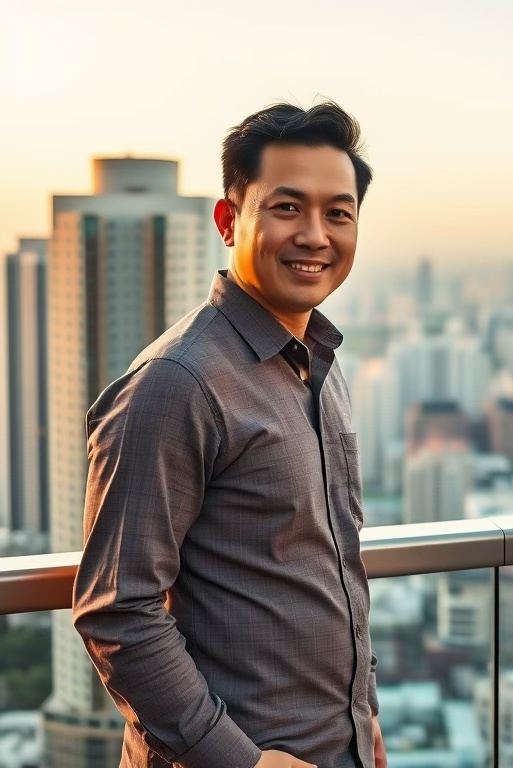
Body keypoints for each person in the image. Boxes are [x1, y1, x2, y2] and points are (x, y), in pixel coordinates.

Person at [73, 101, 387, 768]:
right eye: (286, 207)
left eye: (338, 213)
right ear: (228, 220)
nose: (315, 234)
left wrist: (364, 721)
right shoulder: (177, 383)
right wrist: (239, 761)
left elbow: (328, 570)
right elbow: (117, 610)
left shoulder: (318, 367)